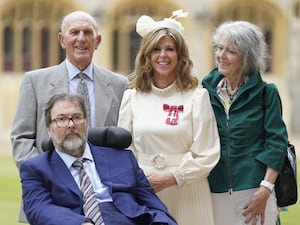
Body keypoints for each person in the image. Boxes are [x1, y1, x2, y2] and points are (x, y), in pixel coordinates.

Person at [11, 10, 128, 223]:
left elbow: (121, 139)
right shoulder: (35, 81)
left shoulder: (119, 85)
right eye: (74, 32)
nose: (81, 38)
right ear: (62, 40)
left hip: (104, 198)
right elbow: (21, 138)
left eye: (87, 32)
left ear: (98, 40)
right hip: (50, 195)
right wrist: (46, 176)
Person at [118, 10, 220, 225]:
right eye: (156, 49)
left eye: (169, 49)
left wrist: (172, 178)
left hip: (188, 190)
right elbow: (124, 152)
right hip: (145, 191)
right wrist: (138, 181)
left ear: (180, 55)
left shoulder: (197, 97)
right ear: (147, 55)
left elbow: (208, 153)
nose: (162, 55)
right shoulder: (131, 97)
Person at [20, 92, 177, 225]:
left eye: (77, 117)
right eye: (61, 119)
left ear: (86, 123)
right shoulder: (36, 168)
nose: (71, 125)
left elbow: (155, 206)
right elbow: (39, 209)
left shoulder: (122, 158)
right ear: (49, 129)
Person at [201, 21, 288, 225]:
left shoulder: (267, 93)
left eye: (230, 51)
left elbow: (276, 143)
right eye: (219, 48)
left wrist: (265, 189)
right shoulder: (204, 93)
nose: (221, 55)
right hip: (214, 189)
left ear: (247, 56)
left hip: (255, 189)